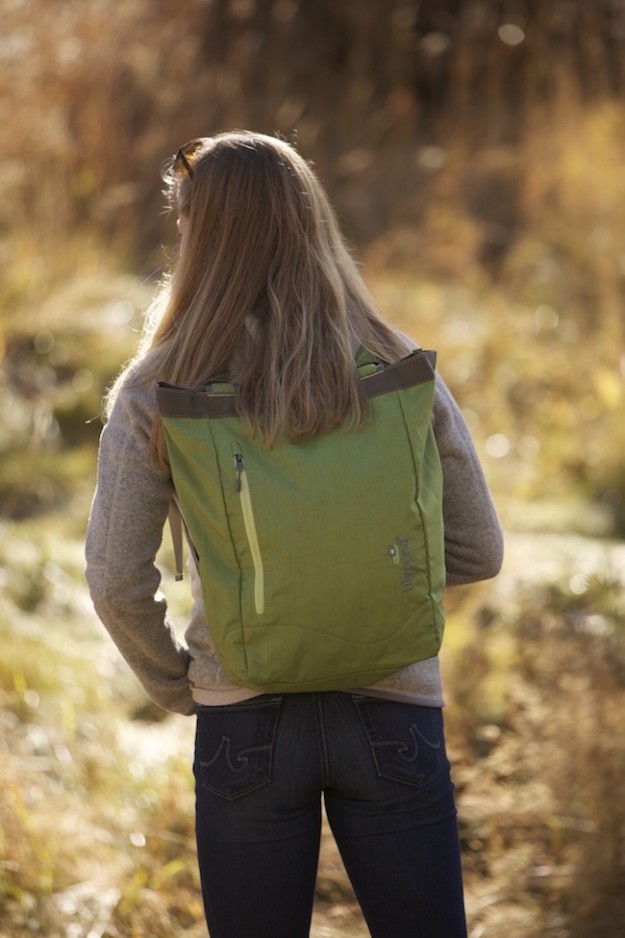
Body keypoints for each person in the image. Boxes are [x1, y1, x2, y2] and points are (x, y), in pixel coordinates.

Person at [85, 130, 504, 938]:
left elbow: (113, 579)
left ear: (198, 236)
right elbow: (478, 548)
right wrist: (368, 584)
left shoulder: (158, 388)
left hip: (243, 715)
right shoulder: (394, 363)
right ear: (310, 221)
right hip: (395, 703)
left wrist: (180, 682)